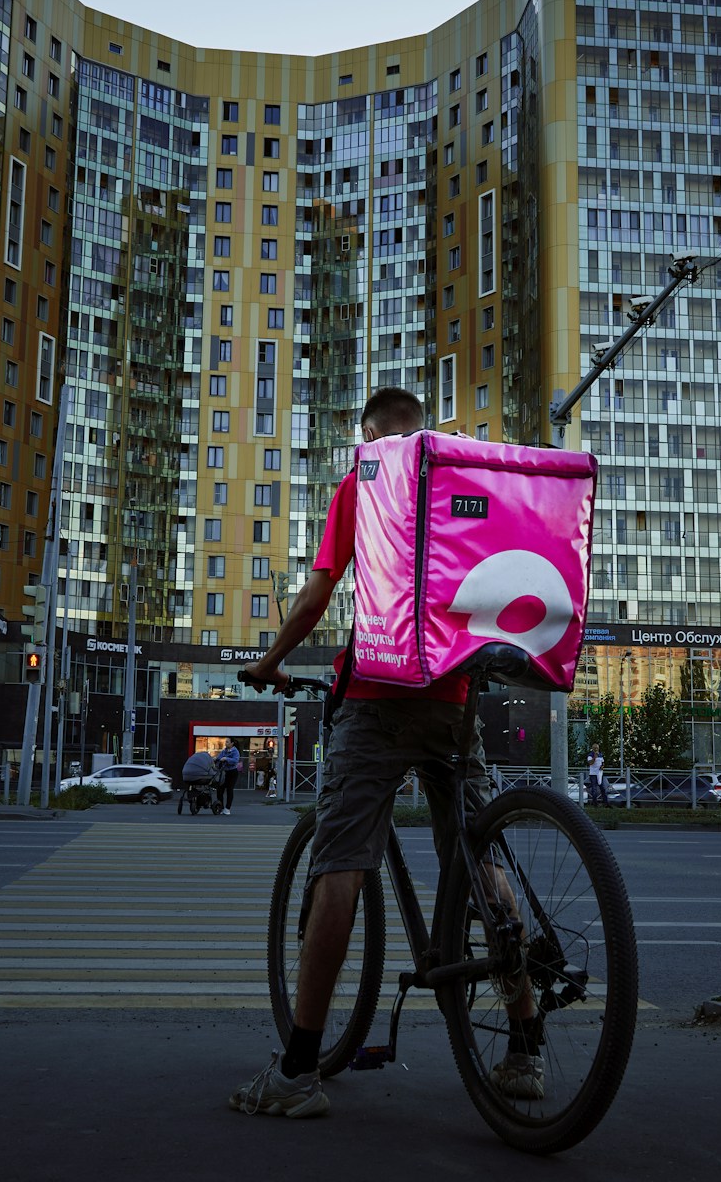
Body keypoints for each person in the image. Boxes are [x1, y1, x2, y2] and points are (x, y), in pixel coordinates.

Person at [230, 387, 542, 1120]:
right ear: (422, 434)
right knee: (480, 858)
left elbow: (315, 598)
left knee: (341, 861)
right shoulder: (460, 492)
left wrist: (270, 660)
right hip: (454, 702)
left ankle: (298, 1070)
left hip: (374, 701)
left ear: (366, 437)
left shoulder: (362, 485)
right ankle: (526, 1046)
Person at [179, 747, 216, 812]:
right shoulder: (205, 766)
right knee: (206, 789)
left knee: (191, 788)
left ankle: (190, 801)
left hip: (187, 775)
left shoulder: (195, 761)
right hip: (200, 776)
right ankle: (203, 801)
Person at [215, 741, 242, 815]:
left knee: (230, 789)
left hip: (232, 772)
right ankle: (221, 807)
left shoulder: (235, 751)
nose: (225, 743)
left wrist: (226, 759)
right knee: (220, 789)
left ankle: (227, 808)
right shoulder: (224, 751)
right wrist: (216, 759)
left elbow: (235, 760)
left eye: (227, 742)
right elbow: (219, 758)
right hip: (224, 772)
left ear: (232, 743)